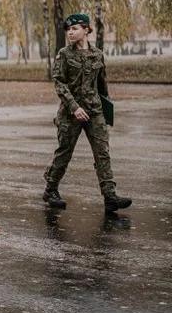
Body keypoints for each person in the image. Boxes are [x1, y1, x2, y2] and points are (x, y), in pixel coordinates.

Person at [42, 13, 131, 212]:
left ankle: (110, 197)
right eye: (68, 30)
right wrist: (74, 108)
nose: (70, 33)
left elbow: (102, 85)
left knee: (102, 153)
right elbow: (59, 83)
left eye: (74, 29)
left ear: (86, 30)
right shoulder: (64, 54)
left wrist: (106, 112)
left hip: (94, 110)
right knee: (64, 153)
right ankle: (50, 189)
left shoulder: (97, 55)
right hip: (70, 113)